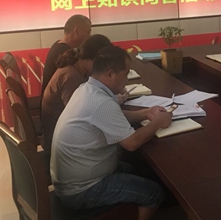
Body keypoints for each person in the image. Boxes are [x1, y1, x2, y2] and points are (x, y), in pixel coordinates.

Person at [51, 46, 172, 220]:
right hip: (83, 190)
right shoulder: (101, 102)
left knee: (137, 169)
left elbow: (113, 116)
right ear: (110, 74)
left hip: (74, 179)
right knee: (154, 193)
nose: (127, 79)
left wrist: (146, 113)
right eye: (126, 73)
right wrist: (158, 123)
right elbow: (131, 143)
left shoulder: (86, 89)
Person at [41, 34, 119, 154]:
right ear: (89, 59)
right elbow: (84, 112)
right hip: (62, 144)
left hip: (63, 136)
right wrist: (113, 100)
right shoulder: (72, 77)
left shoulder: (77, 67)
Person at [41, 15, 92, 96]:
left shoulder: (58, 46)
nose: (90, 36)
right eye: (88, 32)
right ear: (76, 31)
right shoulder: (64, 53)